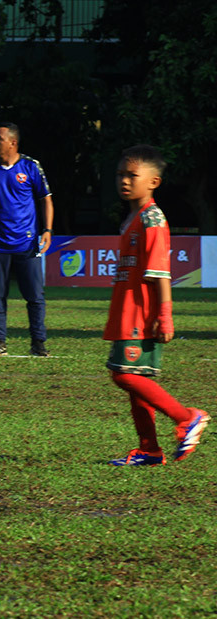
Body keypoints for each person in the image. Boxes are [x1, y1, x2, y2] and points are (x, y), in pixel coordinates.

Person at [105, 145, 209, 466]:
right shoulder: (133, 217)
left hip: (141, 312)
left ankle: (187, 416)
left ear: (153, 182)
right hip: (127, 308)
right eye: (121, 174)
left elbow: (161, 272)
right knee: (136, 381)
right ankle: (149, 450)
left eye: (132, 175)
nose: (124, 180)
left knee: (124, 375)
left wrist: (165, 315)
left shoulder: (152, 219)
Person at [0, 122, 53, 357]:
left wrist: (47, 229)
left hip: (27, 243)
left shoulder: (31, 167)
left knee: (34, 296)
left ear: (13, 143)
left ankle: (38, 342)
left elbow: (46, 199)